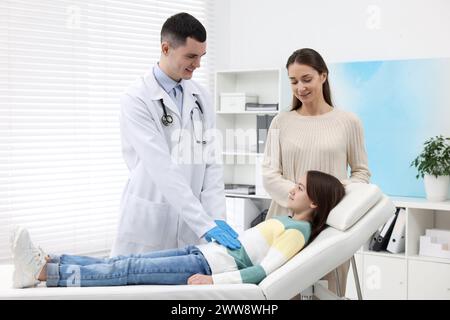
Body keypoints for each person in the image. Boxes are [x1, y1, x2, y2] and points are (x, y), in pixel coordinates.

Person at [11, 171, 345, 289]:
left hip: (208, 266)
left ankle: (43, 272)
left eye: (299, 188)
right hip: (204, 253)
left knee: (128, 268)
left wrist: (214, 281)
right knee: (124, 261)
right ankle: (49, 260)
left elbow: (261, 271)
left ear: (315, 202)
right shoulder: (289, 220)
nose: (291, 190)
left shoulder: (297, 232)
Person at [112, 12, 240, 256]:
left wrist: (217, 217)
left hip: (193, 224)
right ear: (166, 48)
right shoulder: (137, 98)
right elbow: (162, 167)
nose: (198, 64)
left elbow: (211, 162)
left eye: (201, 56)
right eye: (191, 56)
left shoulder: (201, 97)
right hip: (150, 219)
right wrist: (204, 223)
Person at [262, 48, 371, 296]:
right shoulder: (281, 122)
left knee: (327, 291)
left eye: (307, 79)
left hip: (330, 226)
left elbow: (361, 173)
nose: (300, 87)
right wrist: (305, 200)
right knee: (284, 291)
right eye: (293, 81)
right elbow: (269, 174)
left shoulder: (348, 122)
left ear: (323, 76)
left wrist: (330, 200)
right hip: (288, 222)